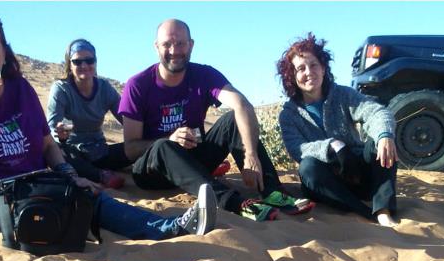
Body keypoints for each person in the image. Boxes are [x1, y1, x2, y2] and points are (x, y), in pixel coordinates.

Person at [0, 8, 216, 244]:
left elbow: (46, 144)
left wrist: (68, 174)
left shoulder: (20, 89)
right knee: (36, 203)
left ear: (3, 51)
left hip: (30, 181)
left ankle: (171, 227)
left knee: (83, 193)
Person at [119, 19, 313, 222]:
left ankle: (271, 191)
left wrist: (251, 153)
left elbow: (242, 105)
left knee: (232, 119)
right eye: (167, 44)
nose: (174, 50)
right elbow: (130, 149)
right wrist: (170, 139)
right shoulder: (138, 85)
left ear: (191, 45)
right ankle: (234, 203)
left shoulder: (203, 75)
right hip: (152, 172)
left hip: (195, 160)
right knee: (162, 146)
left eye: (181, 43)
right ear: (156, 46)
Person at [276, 34, 399, 227]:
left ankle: (383, 210)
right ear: (292, 76)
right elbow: (296, 149)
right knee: (307, 167)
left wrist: (384, 134)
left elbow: (376, 111)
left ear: (323, 68)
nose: (309, 72)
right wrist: (332, 146)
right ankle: (364, 212)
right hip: (328, 184)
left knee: (381, 141)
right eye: (300, 68)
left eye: (314, 65)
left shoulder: (342, 95)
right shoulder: (289, 115)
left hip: (359, 173)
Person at [47, 39, 129, 190]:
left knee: (136, 148)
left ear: (96, 62)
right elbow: (52, 129)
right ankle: (101, 176)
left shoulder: (104, 88)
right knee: (55, 152)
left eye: (89, 60)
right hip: (72, 151)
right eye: (77, 62)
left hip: (100, 151)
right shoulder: (61, 89)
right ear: (69, 65)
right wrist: (60, 133)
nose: (84, 66)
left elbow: (126, 119)